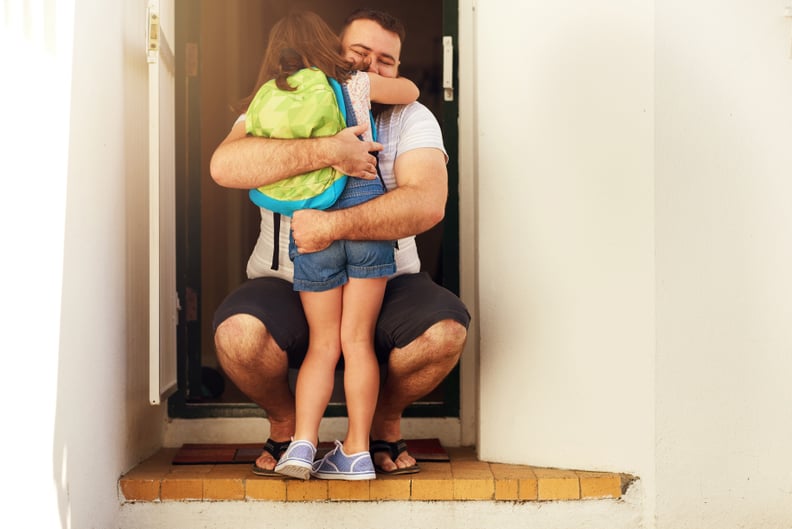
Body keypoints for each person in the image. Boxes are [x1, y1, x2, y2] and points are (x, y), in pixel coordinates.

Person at [210, 8, 470, 478]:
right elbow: (225, 166)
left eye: (386, 61)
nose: (371, 68)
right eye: (360, 54)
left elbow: (428, 204)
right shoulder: (287, 103)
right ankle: (290, 426)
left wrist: (330, 227)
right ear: (335, 51)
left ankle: (379, 427)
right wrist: (330, 149)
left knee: (441, 332)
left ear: (398, 65)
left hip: (380, 274)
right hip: (284, 280)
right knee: (241, 336)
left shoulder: (411, 118)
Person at [243, 10, 420, 481]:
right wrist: (364, 77)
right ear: (331, 44)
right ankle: (358, 452)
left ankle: (301, 445)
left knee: (322, 345)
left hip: (314, 222)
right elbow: (411, 91)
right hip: (364, 220)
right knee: (356, 341)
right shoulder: (356, 85)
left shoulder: (272, 100)